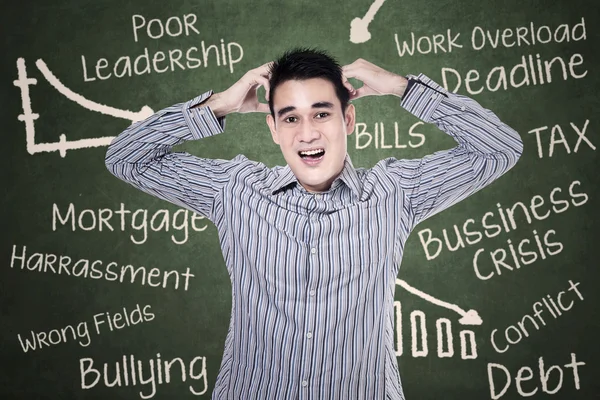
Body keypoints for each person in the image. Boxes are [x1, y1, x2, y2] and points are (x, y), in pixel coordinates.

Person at [106, 48, 523, 399]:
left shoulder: (395, 193)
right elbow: (124, 158)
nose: (307, 134)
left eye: (321, 114)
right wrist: (220, 104)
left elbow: (499, 148)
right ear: (272, 128)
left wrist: (402, 88)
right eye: (290, 118)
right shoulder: (235, 191)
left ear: (348, 120)